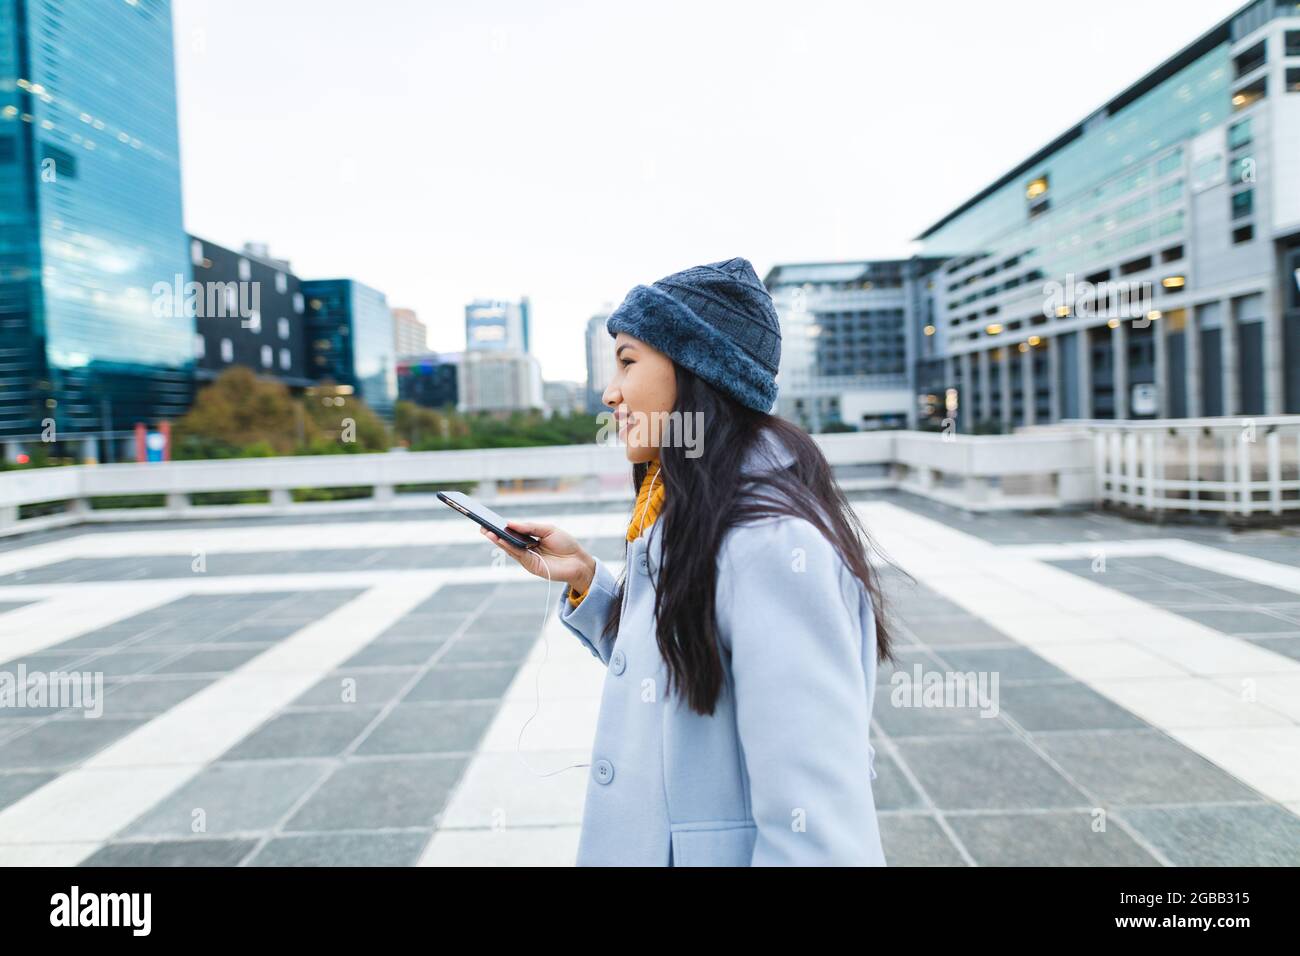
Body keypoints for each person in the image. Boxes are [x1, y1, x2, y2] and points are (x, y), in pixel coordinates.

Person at [481, 256, 894, 866]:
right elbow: (683, 665)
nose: (609, 392)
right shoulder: (688, 513)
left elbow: (819, 833)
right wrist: (589, 582)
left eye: (627, 361)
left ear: (697, 370)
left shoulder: (772, 546)